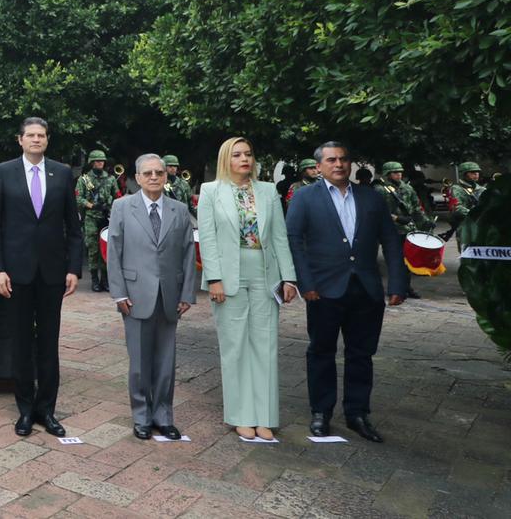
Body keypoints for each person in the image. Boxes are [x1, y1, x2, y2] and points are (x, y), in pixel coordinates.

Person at [286, 141, 407, 443]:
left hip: (365, 289)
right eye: (331, 160)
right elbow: (293, 240)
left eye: (343, 159)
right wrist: (306, 283)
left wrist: (397, 283)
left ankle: (357, 413)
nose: (338, 164)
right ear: (319, 166)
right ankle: (321, 413)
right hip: (323, 290)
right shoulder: (304, 197)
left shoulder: (372, 198)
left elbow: (391, 241)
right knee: (321, 351)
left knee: (362, 354)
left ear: (350, 164)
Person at [0, 118, 82, 437]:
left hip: (53, 273)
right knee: (22, 343)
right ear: (20, 140)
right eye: (31, 135)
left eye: (41, 135)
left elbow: (74, 227)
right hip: (16, 273)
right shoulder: (4, 172)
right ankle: (25, 410)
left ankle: (46, 411)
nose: (36, 139)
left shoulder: (63, 173)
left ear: (47, 140)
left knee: (49, 343)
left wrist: (73, 268)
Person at [198, 138, 298, 440]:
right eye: (237, 155)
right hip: (228, 275)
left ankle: (264, 417)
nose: (244, 159)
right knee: (235, 345)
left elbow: (280, 237)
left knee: (265, 344)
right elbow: (208, 236)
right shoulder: (210, 191)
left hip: (265, 273)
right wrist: (214, 278)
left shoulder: (268, 191)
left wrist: (289, 277)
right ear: (225, 160)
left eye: (248, 154)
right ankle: (241, 415)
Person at [107, 154, 197, 440]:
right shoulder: (122, 207)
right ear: (137, 176)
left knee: (166, 360)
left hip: (170, 294)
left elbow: (188, 253)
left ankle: (163, 415)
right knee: (140, 361)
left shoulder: (180, 209)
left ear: (166, 176)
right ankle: (142, 416)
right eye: (148, 173)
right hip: (134, 295)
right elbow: (114, 253)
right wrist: (118, 292)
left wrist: (187, 293)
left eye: (160, 172)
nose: (155, 177)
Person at [373, 162, 431, 299]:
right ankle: (395, 291)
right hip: (390, 231)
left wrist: (425, 222)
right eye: (395, 172)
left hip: (408, 230)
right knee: (394, 261)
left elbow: (416, 208)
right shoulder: (380, 190)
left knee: (408, 261)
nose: (398, 174)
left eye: (400, 172)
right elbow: (376, 211)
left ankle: (406, 287)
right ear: (387, 174)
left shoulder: (407, 188)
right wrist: (396, 218)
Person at [75, 150, 117, 292]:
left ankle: (105, 280)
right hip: (91, 218)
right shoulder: (84, 179)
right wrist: (92, 205)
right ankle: (94, 280)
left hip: (107, 218)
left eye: (102, 161)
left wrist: (109, 206)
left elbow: (117, 196)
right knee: (93, 249)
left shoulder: (110, 179)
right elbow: (78, 198)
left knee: (106, 249)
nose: (100, 163)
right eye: (97, 161)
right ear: (92, 162)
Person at [448, 162, 484, 246]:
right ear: (463, 174)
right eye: (472, 172)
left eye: (477, 172)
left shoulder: (481, 189)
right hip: (465, 226)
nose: (476, 174)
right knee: (468, 253)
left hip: (482, 226)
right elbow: (457, 208)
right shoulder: (457, 189)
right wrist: (476, 214)